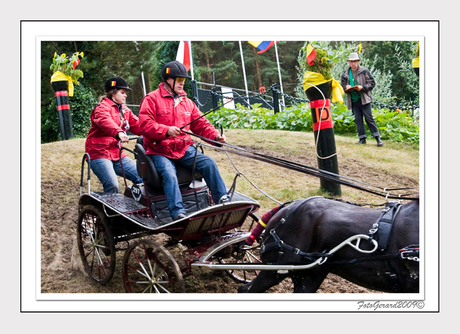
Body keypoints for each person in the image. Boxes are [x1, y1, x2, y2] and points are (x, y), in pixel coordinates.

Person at [138, 61, 229, 221]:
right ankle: (178, 213)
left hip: (183, 148)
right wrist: (166, 130)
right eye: (179, 79)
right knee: (169, 174)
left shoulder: (187, 102)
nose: (182, 83)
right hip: (159, 150)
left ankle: (222, 200)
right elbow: (145, 125)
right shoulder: (151, 99)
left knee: (209, 163)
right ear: (168, 80)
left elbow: (201, 125)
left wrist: (215, 137)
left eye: (184, 80)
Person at [85, 76, 143, 193]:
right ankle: (106, 209)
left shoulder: (125, 110)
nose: (125, 95)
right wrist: (119, 132)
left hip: (117, 154)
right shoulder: (101, 108)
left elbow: (139, 125)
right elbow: (105, 121)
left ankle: (138, 208)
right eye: (122, 92)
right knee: (112, 185)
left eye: (125, 93)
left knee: (143, 176)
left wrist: (157, 131)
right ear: (113, 93)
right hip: (99, 154)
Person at [341, 52, 383, 147]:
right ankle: (362, 139)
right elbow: (342, 85)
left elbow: (372, 83)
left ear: (358, 61)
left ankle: (378, 139)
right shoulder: (345, 74)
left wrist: (362, 87)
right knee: (358, 119)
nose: (353, 63)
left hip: (364, 99)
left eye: (355, 61)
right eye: (351, 61)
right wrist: (346, 87)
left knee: (369, 119)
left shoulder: (364, 71)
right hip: (353, 100)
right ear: (349, 62)